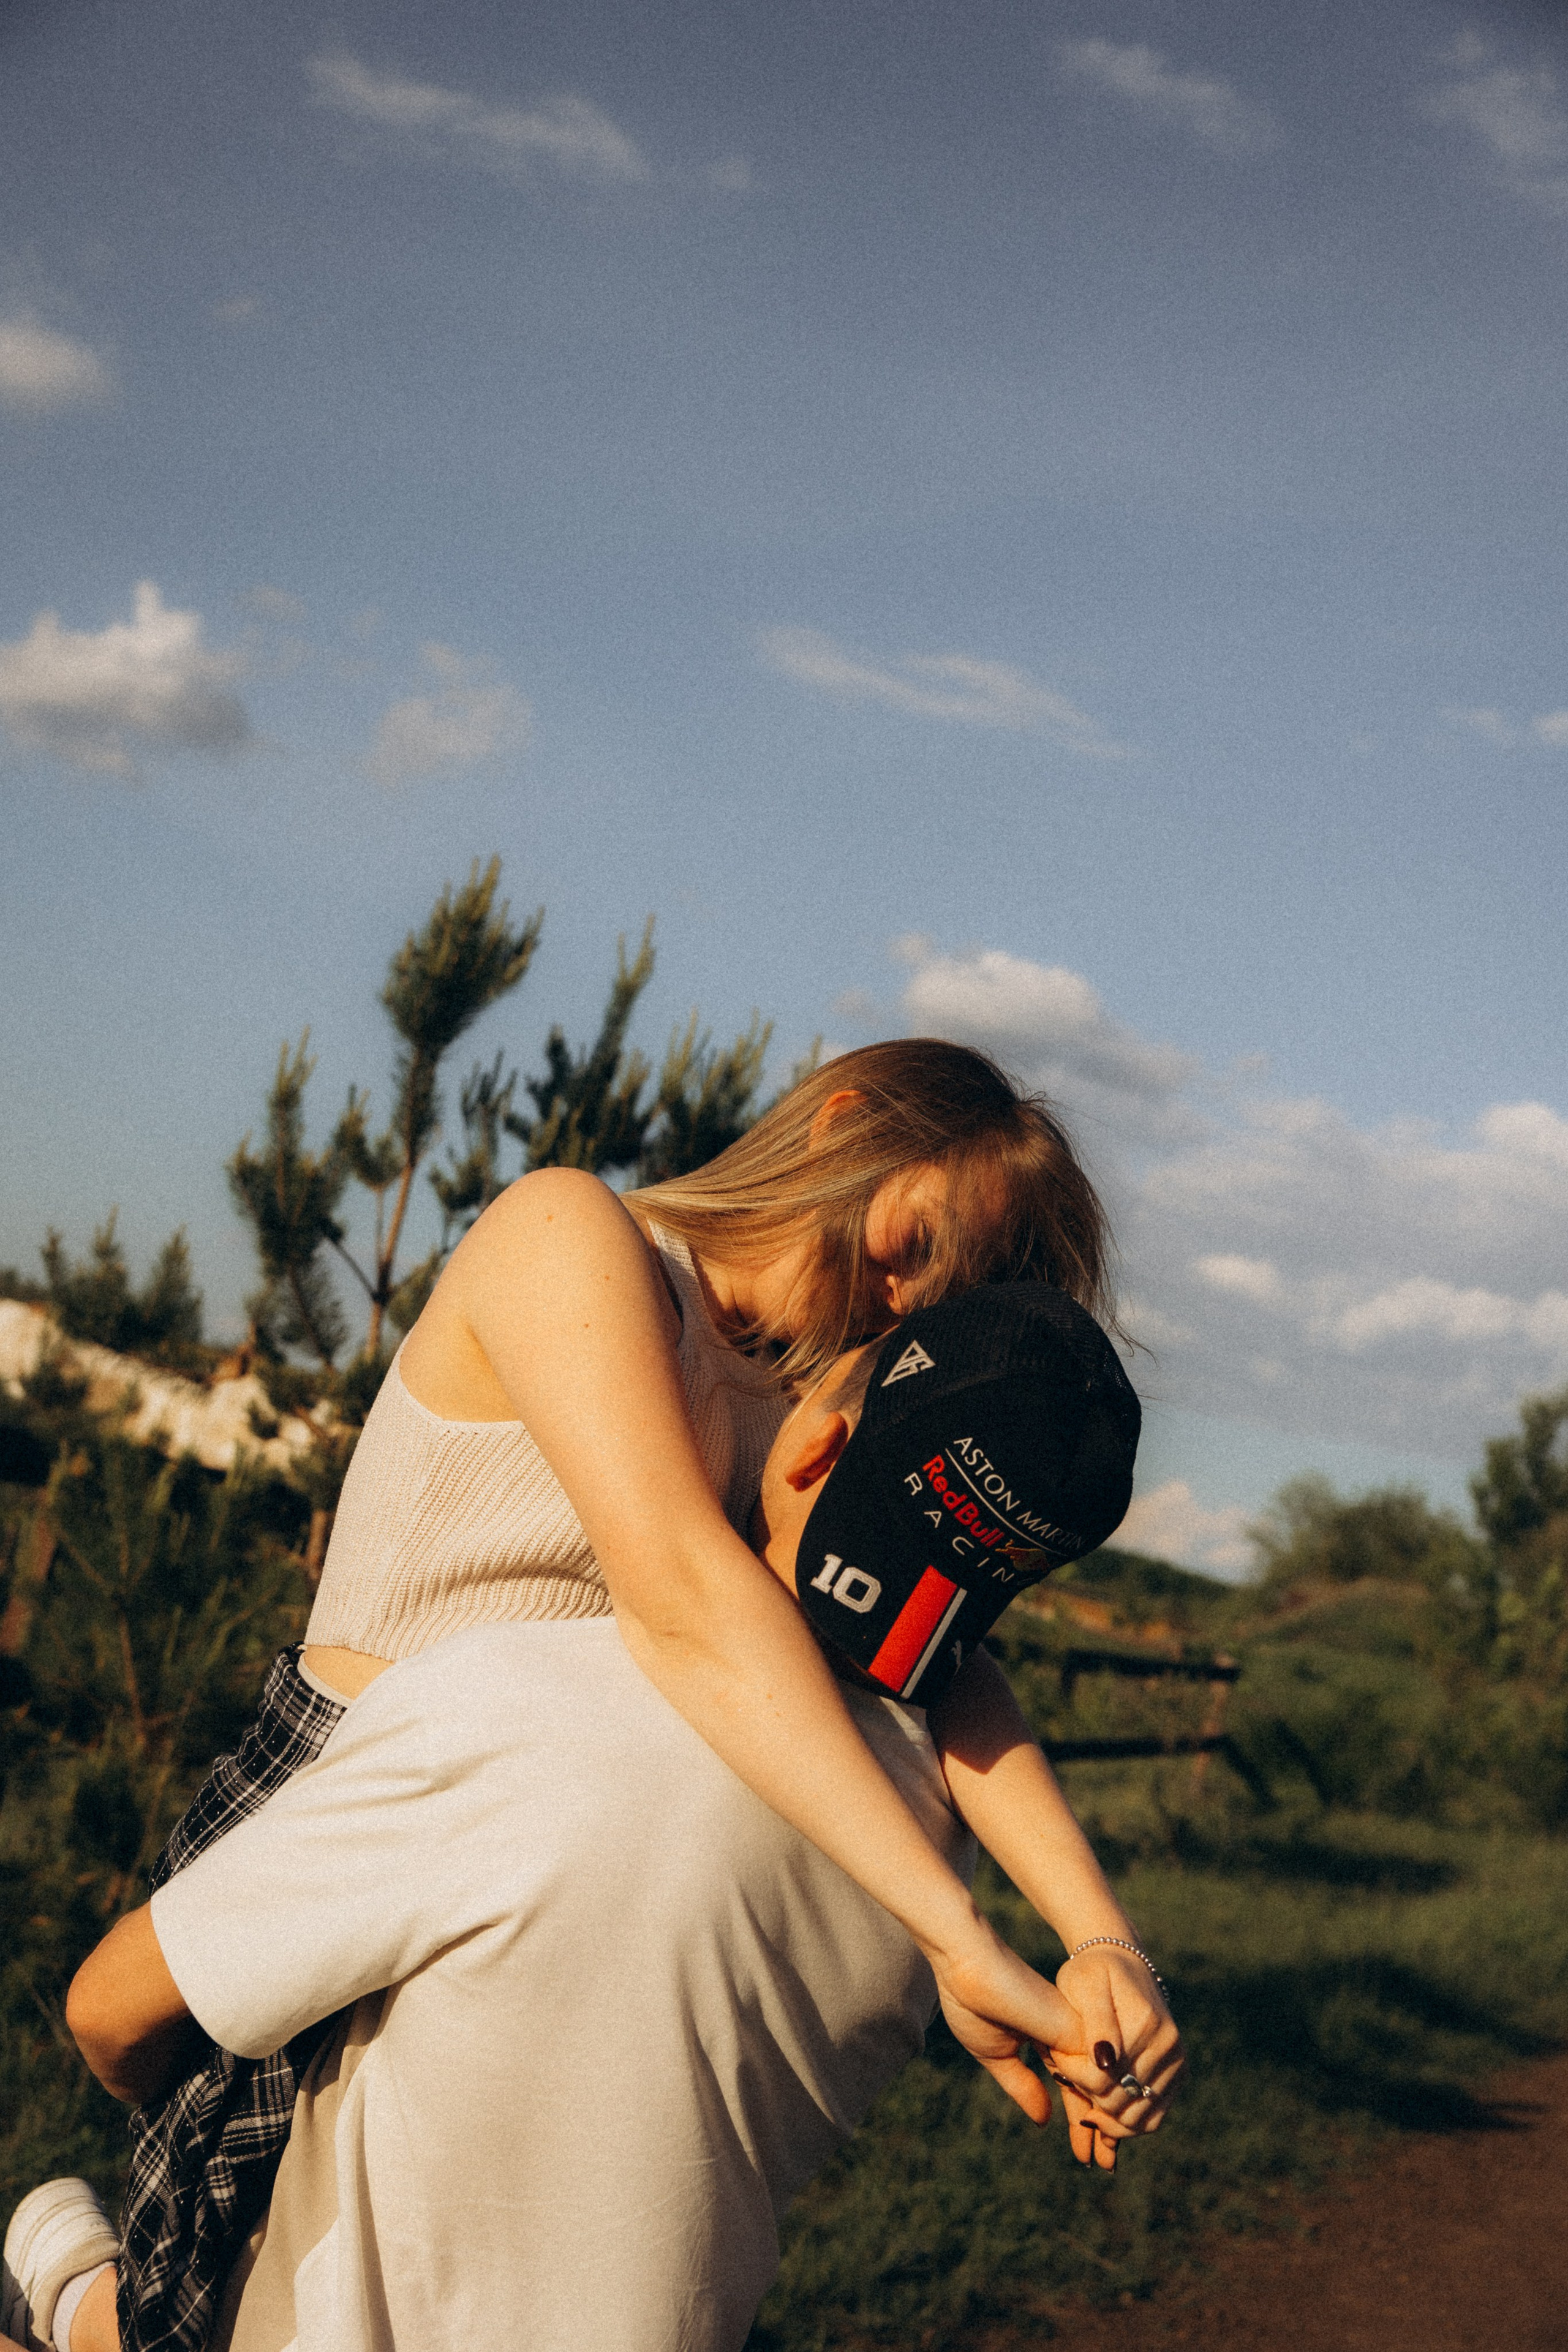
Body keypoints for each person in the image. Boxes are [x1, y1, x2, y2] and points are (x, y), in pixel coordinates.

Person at [2, 1042, 1175, 2352]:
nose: (898, 1294)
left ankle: (61, 2270)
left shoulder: (796, 1394)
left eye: (940, 1293)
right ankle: (65, 2275)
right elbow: (679, 1593)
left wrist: (1095, 1941)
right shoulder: (574, 1235)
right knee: (211, 2294)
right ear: (843, 1122)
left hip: (511, 1854)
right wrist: (951, 1929)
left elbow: (936, 1658)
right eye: (914, 1239)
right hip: (354, 1798)